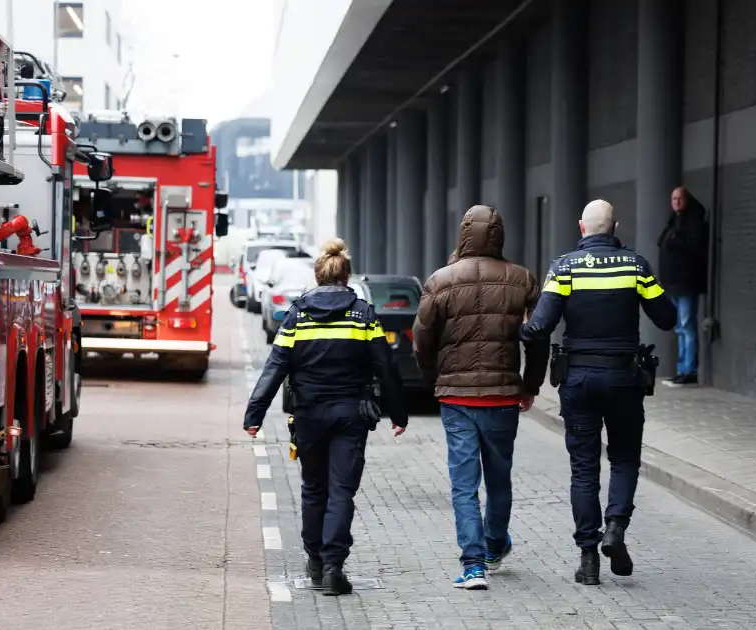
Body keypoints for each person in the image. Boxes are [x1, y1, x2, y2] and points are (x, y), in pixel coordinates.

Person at [521, 199, 675, 585]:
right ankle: (616, 528)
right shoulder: (635, 265)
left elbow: (540, 326)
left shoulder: (564, 267)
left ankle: (588, 560)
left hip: (578, 380)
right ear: (614, 226)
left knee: (584, 469)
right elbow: (668, 317)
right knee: (624, 459)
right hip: (623, 378)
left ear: (582, 227)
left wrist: (516, 330)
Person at [243, 238, 408, 596]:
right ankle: (334, 567)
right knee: (341, 492)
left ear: (317, 277)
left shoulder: (297, 314)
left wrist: (254, 414)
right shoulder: (363, 314)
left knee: (313, 489)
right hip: (351, 415)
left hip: (308, 416)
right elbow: (386, 366)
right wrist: (399, 414)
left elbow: (275, 366)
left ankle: (315, 562)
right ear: (346, 277)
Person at [412, 204, 550, 590]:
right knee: (499, 478)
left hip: (456, 398)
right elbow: (539, 339)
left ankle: (473, 565)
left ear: (463, 234)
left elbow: (421, 338)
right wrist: (531, 384)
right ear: (500, 235)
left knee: (463, 483)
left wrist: (434, 380)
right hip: (504, 396)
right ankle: (493, 547)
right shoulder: (522, 279)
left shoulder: (440, 281)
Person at [656, 186, 709, 385]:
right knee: (680, 327)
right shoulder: (673, 223)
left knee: (686, 326)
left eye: (679, 198)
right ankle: (682, 368)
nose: (676, 202)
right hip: (673, 284)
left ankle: (690, 369)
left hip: (686, 283)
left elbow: (693, 250)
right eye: (673, 198)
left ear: (687, 200)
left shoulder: (692, 223)